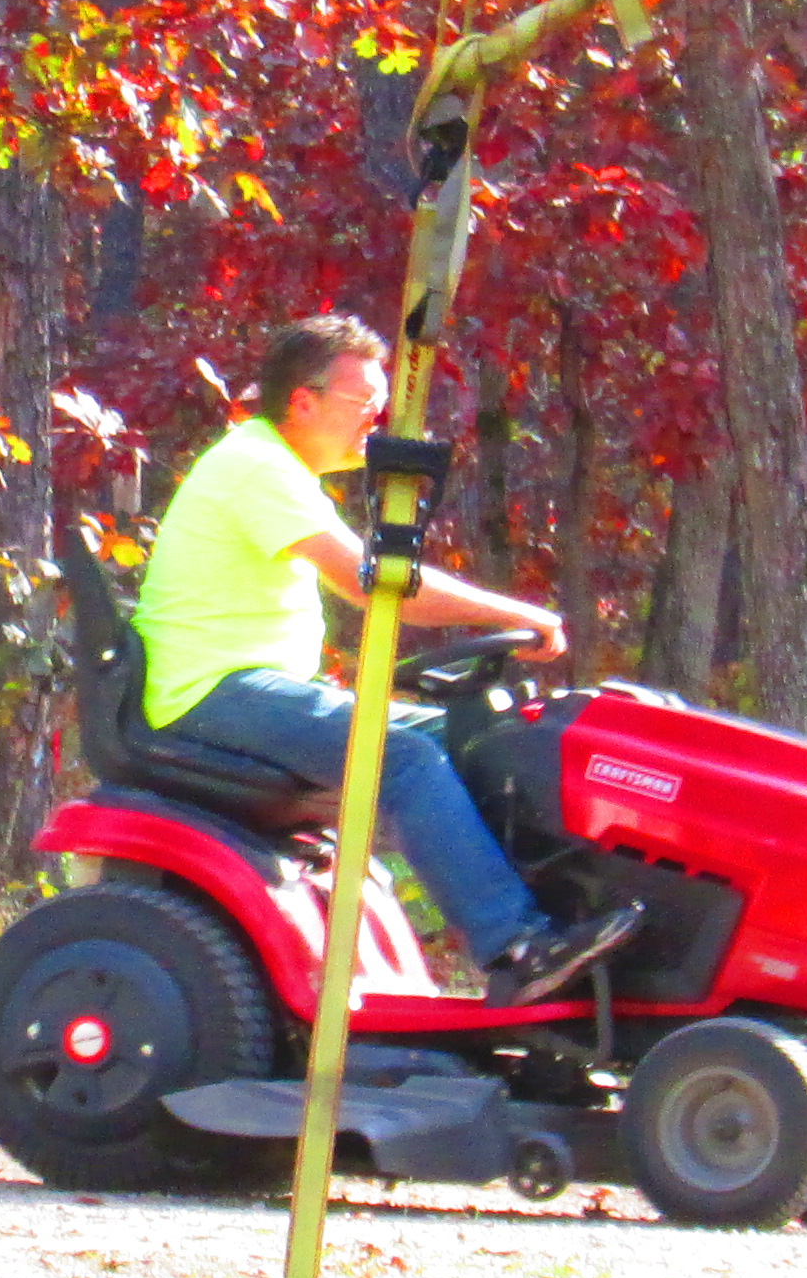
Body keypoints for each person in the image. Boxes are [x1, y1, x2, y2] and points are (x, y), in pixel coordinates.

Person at [131, 313, 644, 1004]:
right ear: (303, 402)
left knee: (484, 740)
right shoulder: (255, 467)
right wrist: (517, 613)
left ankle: (572, 923)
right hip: (212, 693)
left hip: (252, 687)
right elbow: (381, 587)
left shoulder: (277, 467)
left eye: (381, 402)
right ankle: (517, 946)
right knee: (403, 758)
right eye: (361, 403)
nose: (375, 417)